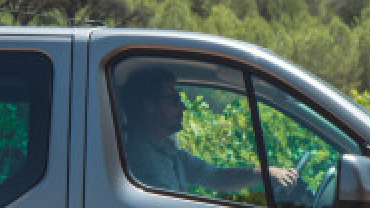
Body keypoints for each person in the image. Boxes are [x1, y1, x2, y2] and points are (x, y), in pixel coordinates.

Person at [119, 66, 297, 197]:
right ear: (148, 107)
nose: (182, 107)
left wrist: (267, 172)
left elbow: (216, 177)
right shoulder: (142, 160)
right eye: (174, 100)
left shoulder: (167, 151)